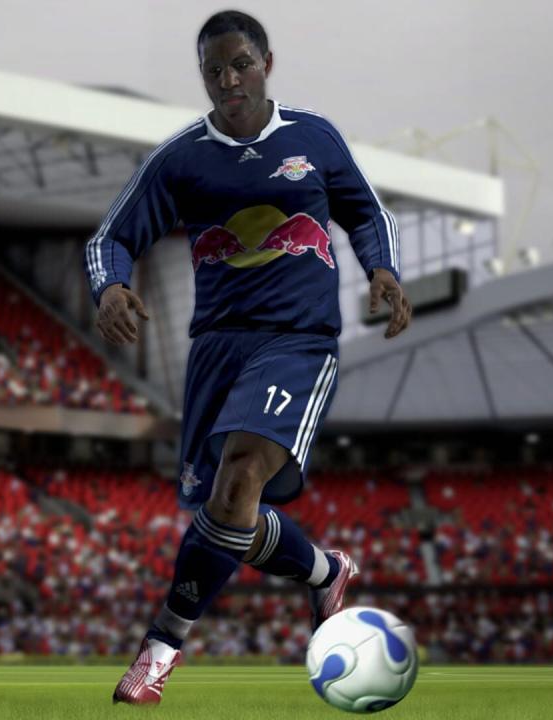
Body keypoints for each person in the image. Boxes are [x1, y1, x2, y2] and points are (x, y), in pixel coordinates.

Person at [82, 10, 411, 705]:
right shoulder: (181, 158)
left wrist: (383, 269)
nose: (228, 80)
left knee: (236, 484)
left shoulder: (313, 136)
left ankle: (159, 651)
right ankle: (324, 571)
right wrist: (109, 286)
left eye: (241, 64)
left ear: (267, 63)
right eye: (214, 71)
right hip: (216, 349)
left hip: (297, 341)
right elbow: (110, 237)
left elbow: (364, 211)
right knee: (228, 510)